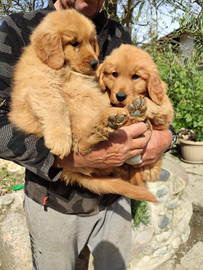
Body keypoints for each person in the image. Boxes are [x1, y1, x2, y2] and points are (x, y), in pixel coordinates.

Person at [0, 0, 175, 269]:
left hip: (115, 201)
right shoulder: (18, 28)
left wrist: (166, 138)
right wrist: (77, 157)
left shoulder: (118, 33)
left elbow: (146, 94)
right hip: (55, 203)